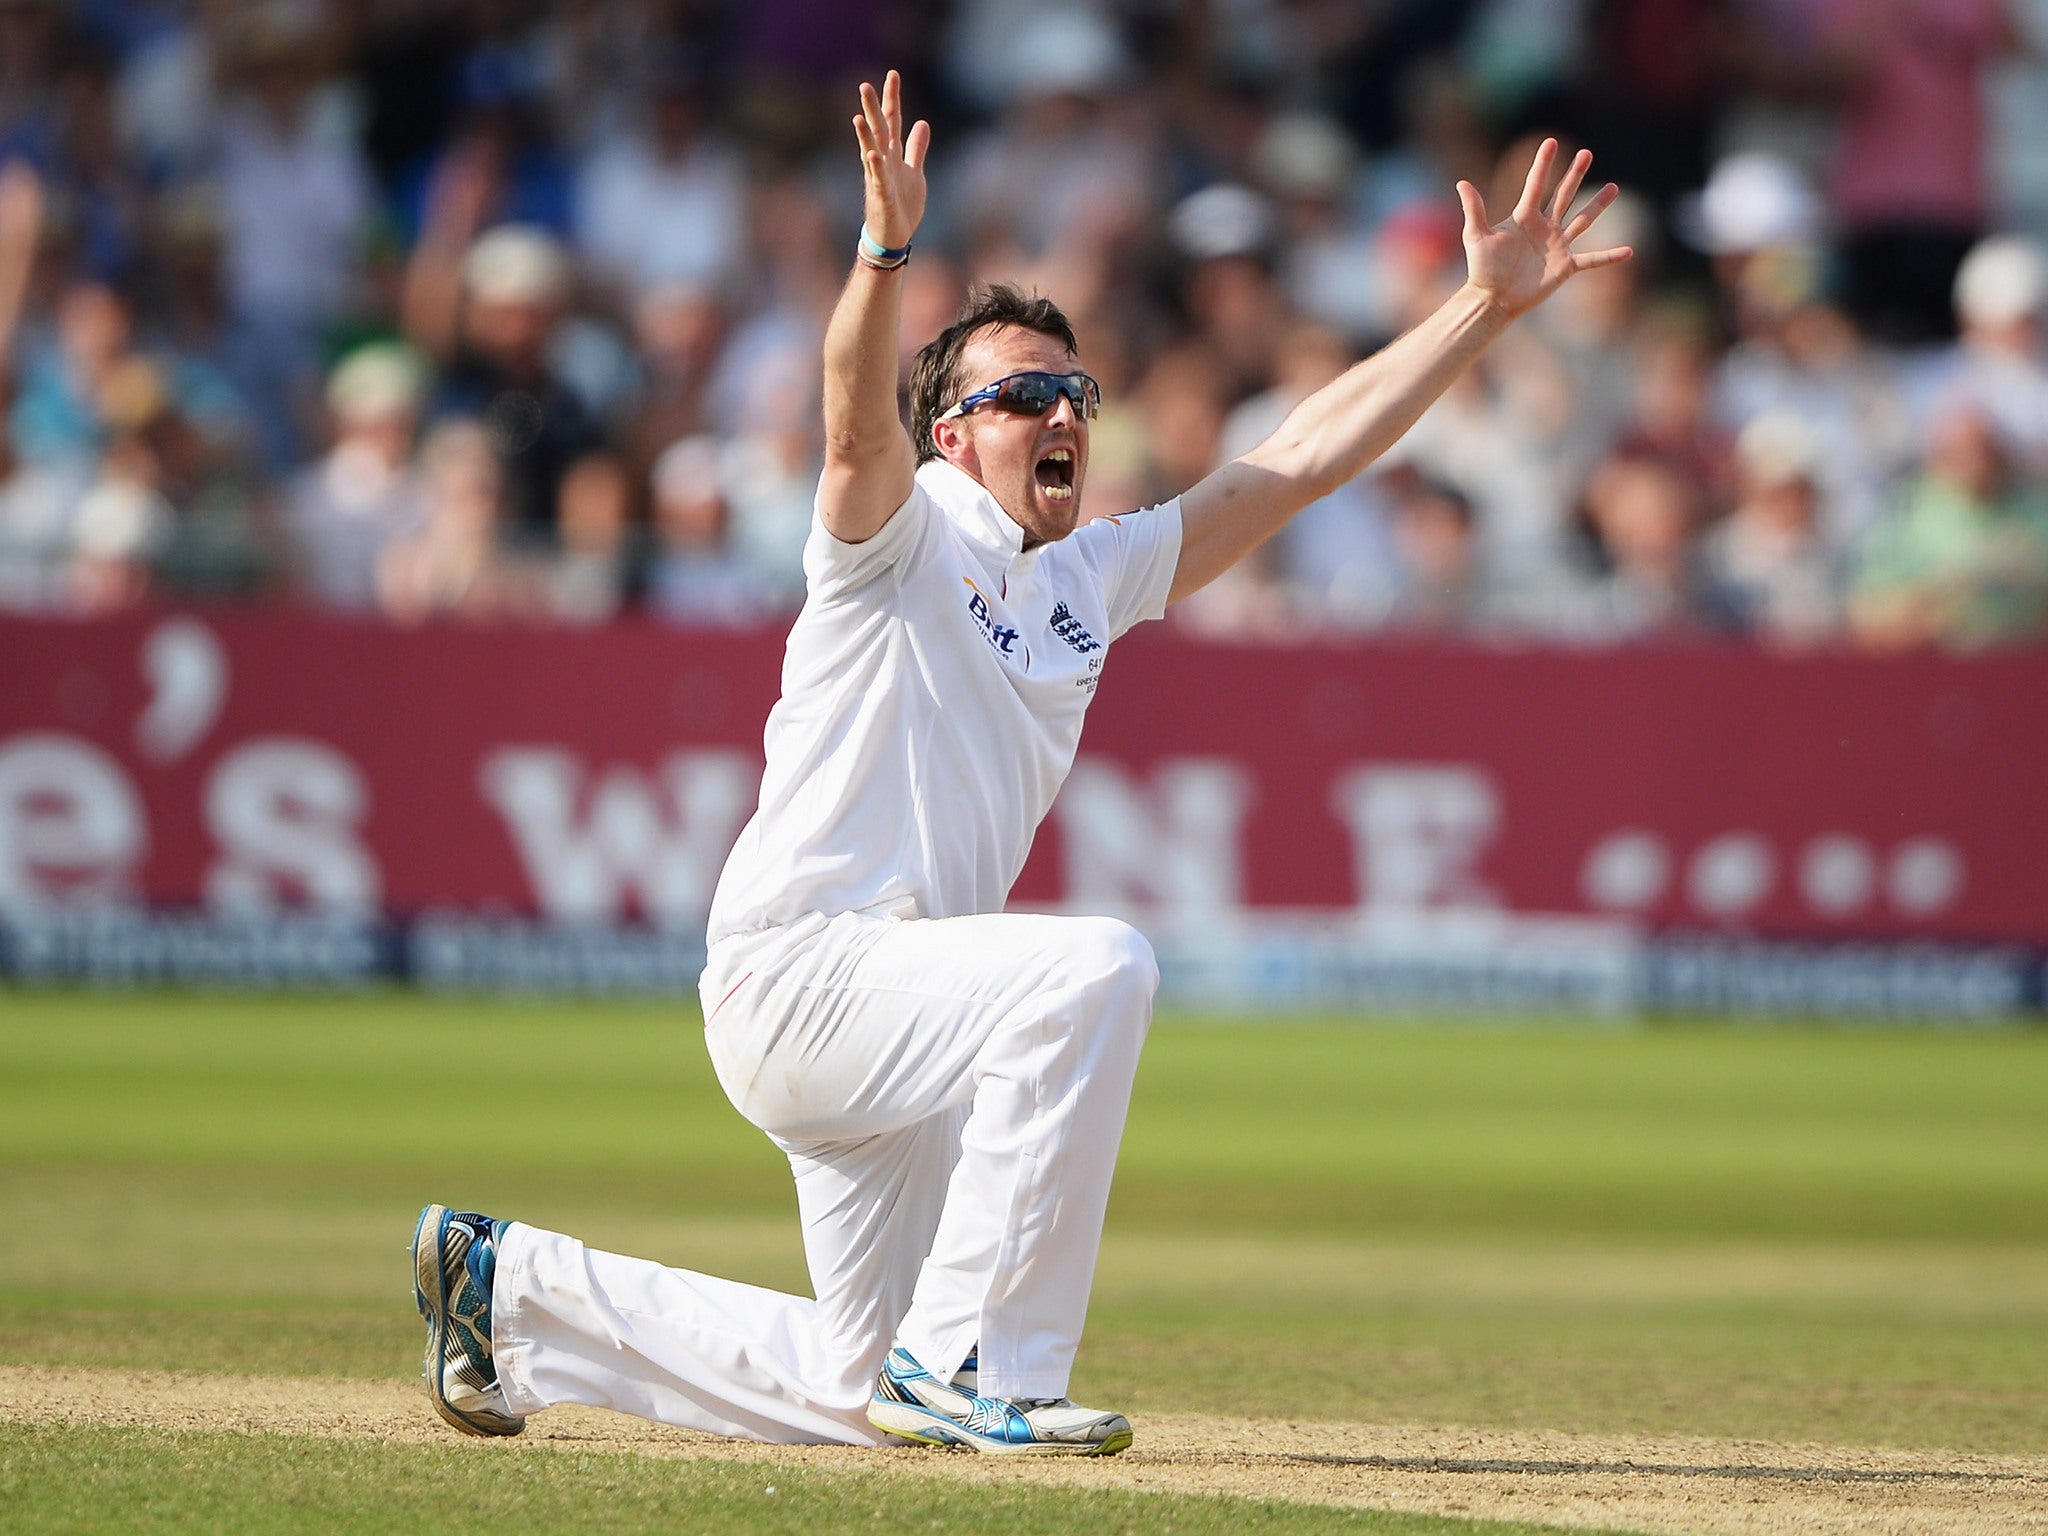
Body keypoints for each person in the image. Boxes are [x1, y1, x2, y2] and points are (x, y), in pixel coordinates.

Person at [410, 72, 1628, 1456]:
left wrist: (1476, 309)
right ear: (954, 435)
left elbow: (1290, 464)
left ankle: (508, 1294)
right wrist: (882, 254)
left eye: (1075, 392)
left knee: (849, 1391)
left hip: (909, 1007)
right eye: (1022, 395)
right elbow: (853, 414)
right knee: (1100, 964)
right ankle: (992, 1367)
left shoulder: (1088, 577)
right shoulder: (898, 534)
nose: (1061, 415)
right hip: (804, 968)